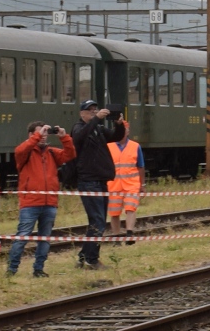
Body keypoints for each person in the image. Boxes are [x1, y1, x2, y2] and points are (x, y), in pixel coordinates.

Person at [9, 122, 76, 277]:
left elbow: (70, 154)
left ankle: (38, 269)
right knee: (22, 236)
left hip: (49, 203)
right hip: (30, 203)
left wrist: (64, 137)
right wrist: (38, 135)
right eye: (40, 133)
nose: (44, 136)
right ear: (31, 135)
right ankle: (12, 269)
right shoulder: (24, 153)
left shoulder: (51, 153)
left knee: (44, 239)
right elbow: (21, 149)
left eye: (46, 133)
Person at [71, 101, 123, 270]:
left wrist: (119, 124)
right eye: (90, 111)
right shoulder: (78, 128)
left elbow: (116, 137)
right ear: (82, 114)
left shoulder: (98, 129)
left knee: (98, 220)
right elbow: (79, 137)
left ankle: (84, 256)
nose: (94, 113)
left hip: (101, 181)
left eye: (95, 110)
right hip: (88, 181)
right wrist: (97, 119)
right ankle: (91, 259)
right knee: (97, 220)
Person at [107, 125, 144, 236]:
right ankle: (116, 236)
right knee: (114, 212)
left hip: (131, 184)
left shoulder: (135, 146)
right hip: (113, 185)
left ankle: (129, 233)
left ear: (128, 131)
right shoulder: (109, 146)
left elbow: (141, 166)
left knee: (130, 208)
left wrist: (142, 184)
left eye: (125, 129)